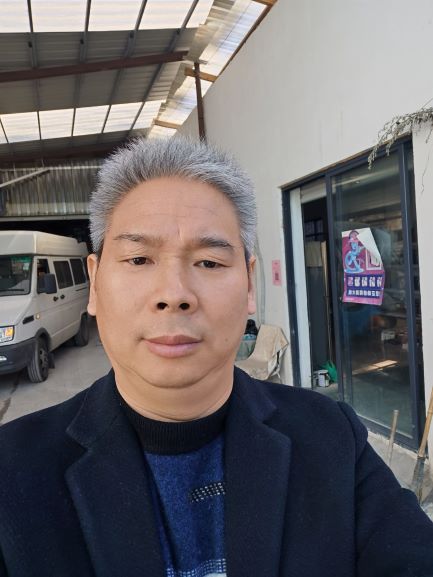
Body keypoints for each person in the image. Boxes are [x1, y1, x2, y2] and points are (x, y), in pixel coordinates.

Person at [0, 137, 432, 577]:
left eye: (209, 262)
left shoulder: (331, 438)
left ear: (249, 284)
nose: (174, 294)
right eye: (139, 259)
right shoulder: (12, 472)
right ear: (94, 284)